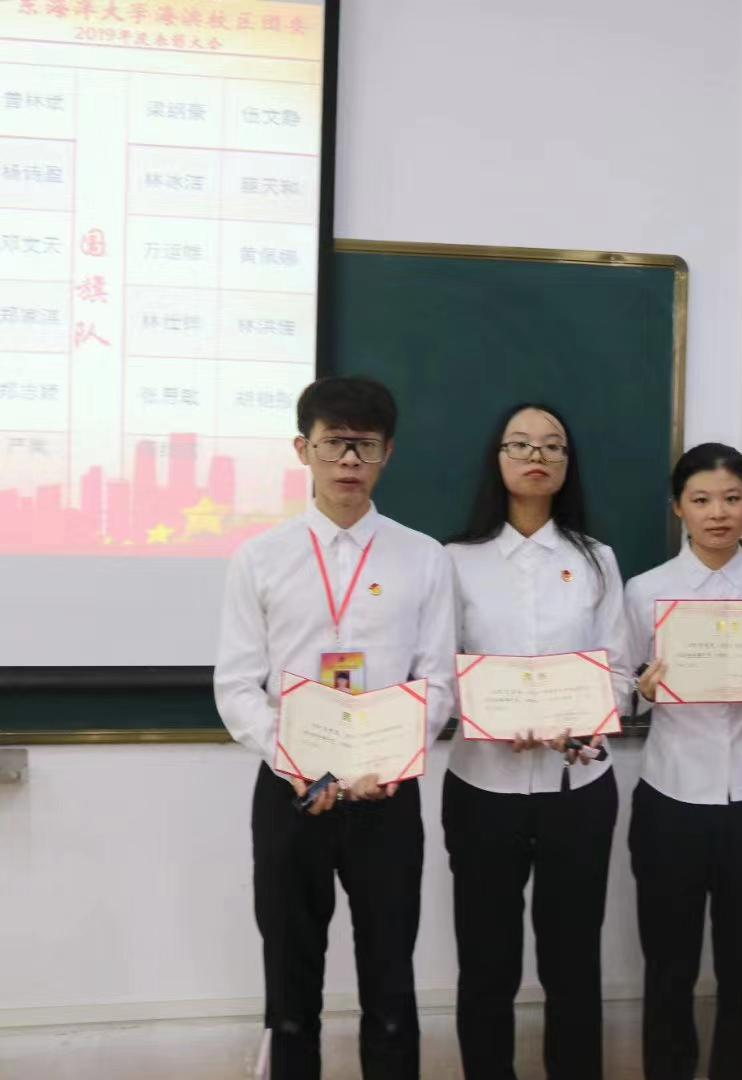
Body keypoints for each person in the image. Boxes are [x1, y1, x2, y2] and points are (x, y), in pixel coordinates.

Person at [214, 375, 456, 1079]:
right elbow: (237, 685)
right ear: (303, 449)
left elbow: (438, 680)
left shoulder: (423, 556)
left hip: (388, 792)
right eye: (334, 444)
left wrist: (394, 758)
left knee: (390, 977)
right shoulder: (260, 558)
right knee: (291, 980)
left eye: (365, 445)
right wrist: (296, 763)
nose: (349, 460)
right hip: (293, 793)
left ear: (388, 453)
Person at [442, 403, 632, 1080]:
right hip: (482, 787)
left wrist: (581, 724)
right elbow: (439, 669)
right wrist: (490, 715)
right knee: (486, 964)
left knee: (572, 963)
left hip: (576, 790)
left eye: (553, 446)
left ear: (567, 464)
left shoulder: (596, 560)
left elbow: (617, 673)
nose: (537, 456)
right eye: (520, 444)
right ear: (497, 459)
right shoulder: (455, 561)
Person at [623, 443, 742, 1080]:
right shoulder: (646, 590)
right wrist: (643, 690)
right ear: (679, 508)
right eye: (701, 500)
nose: (718, 513)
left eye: (732, 498)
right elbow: (621, 683)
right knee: (668, 967)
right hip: (670, 797)